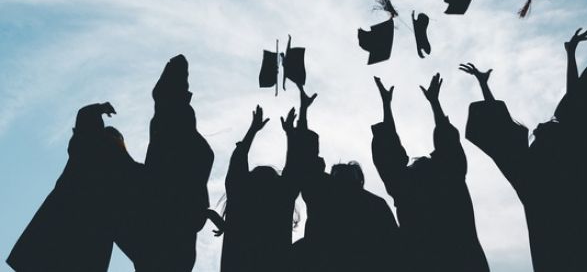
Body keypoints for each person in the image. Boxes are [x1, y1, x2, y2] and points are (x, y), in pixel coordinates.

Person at [462, 27, 587, 271]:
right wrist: (570, 55)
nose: (539, 125)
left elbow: (501, 130)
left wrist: (571, 55)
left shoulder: (544, 174)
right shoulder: (569, 167)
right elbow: (574, 105)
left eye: (545, 126)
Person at [372, 74, 489, 272]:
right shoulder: (450, 183)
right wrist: (435, 103)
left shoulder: (408, 190)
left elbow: (389, 154)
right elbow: (448, 144)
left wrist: (386, 106)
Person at [7, 102, 141, 272]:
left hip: (60, 239)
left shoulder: (87, 153)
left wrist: (100, 108)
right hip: (72, 241)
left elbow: (85, 118)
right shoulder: (99, 158)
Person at [295, 85, 400, 272]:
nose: (341, 172)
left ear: (358, 179)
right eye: (338, 171)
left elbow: (305, 156)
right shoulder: (324, 194)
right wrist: (303, 112)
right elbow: (305, 157)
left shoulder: (372, 204)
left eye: (345, 170)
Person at [140, 54, 214, 272]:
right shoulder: (171, 113)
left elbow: (201, 154)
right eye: (182, 80)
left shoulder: (179, 113)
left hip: (181, 208)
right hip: (172, 208)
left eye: (186, 79)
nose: (186, 84)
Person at [219, 105, 302, 272]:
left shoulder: (240, 198)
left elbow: (237, 161)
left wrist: (253, 130)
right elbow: (293, 169)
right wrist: (290, 134)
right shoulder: (280, 201)